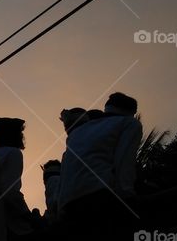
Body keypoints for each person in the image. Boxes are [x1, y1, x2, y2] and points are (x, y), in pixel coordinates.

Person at [57, 93, 143, 230]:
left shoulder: (78, 131)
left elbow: (66, 171)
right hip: (100, 196)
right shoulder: (130, 123)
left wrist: (60, 210)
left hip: (69, 203)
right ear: (131, 112)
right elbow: (124, 161)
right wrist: (127, 195)